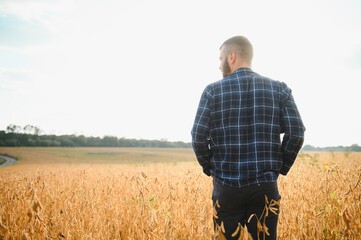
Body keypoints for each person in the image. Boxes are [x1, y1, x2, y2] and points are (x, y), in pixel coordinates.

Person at [191, 35, 305, 240]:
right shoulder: (279, 89)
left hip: (226, 187)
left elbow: (198, 136)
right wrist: (279, 168)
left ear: (232, 57)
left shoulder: (212, 92)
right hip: (265, 188)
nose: (219, 65)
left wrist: (211, 168)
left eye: (220, 59)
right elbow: (296, 133)